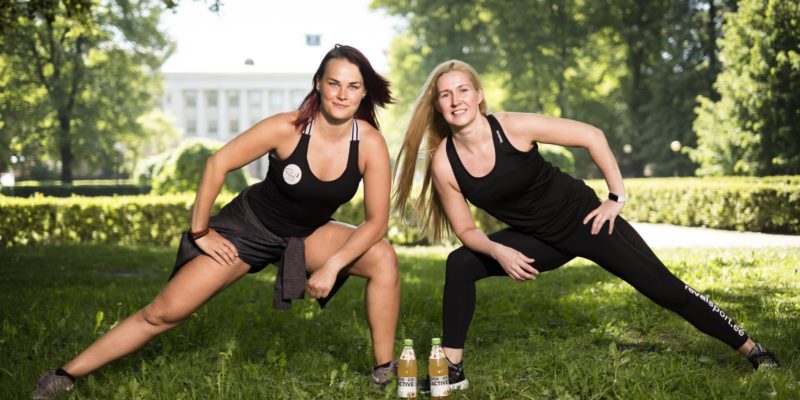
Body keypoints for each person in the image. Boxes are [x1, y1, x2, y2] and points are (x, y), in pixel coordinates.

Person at [32, 45, 400, 399]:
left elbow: (376, 223)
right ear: (318, 83)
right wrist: (200, 231)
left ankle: (385, 371)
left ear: (364, 91)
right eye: (334, 83)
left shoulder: (369, 144)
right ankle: (63, 376)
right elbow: (217, 163)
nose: (342, 94)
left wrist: (333, 265)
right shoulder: (286, 127)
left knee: (383, 257)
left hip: (308, 233)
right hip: (250, 227)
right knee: (163, 313)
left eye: (353, 86)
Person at [393, 60, 779, 392]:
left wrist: (615, 197)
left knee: (665, 289)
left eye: (463, 90)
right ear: (438, 105)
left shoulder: (511, 126)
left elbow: (592, 136)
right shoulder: (444, 162)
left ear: (478, 95)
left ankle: (753, 349)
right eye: (446, 94)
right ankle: (453, 370)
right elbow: (466, 231)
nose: (456, 100)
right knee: (461, 262)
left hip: (586, 222)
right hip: (538, 240)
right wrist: (499, 251)